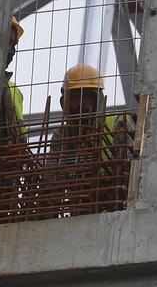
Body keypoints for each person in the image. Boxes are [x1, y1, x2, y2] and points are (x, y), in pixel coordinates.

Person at [48, 64, 130, 213]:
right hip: (78, 208)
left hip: (111, 205)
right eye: (74, 98)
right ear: (64, 102)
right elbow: (50, 181)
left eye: (86, 98)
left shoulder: (116, 125)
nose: (80, 105)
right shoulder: (61, 135)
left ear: (98, 100)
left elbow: (125, 172)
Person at [1, 16, 26, 138]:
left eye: (13, 44)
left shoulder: (14, 90)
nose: (12, 50)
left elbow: (21, 134)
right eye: (7, 42)